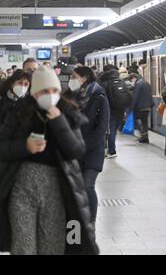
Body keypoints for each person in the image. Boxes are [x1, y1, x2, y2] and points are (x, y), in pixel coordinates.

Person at [0, 66, 98, 255]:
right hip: (21, 188)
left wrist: (59, 122)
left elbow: (76, 151)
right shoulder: (18, 113)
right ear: (35, 93)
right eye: (45, 91)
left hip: (57, 188)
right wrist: (24, 146)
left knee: (52, 244)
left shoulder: (67, 112)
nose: (50, 95)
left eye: (54, 91)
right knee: (23, 245)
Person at [65, 67, 110, 228]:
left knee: (87, 185)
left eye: (74, 76)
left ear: (84, 78)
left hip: (93, 151)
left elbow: (102, 127)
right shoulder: (69, 97)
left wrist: (83, 144)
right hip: (75, 151)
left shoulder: (99, 97)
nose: (71, 79)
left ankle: (90, 222)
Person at [98, 64, 132, 158]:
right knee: (114, 130)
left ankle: (111, 151)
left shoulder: (103, 81)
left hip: (109, 110)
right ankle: (110, 149)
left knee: (110, 130)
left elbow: (101, 97)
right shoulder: (120, 80)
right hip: (120, 110)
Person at [129, 73, 154, 143]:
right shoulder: (147, 83)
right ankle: (145, 137)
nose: (132, 82)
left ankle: (143, 136)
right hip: (148, 106)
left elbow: (135, 97)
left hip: (140, 107)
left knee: (137, 120)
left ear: (134, 78)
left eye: (131, 80)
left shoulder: (138, 84)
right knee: (145, 122)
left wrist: (132, 107)